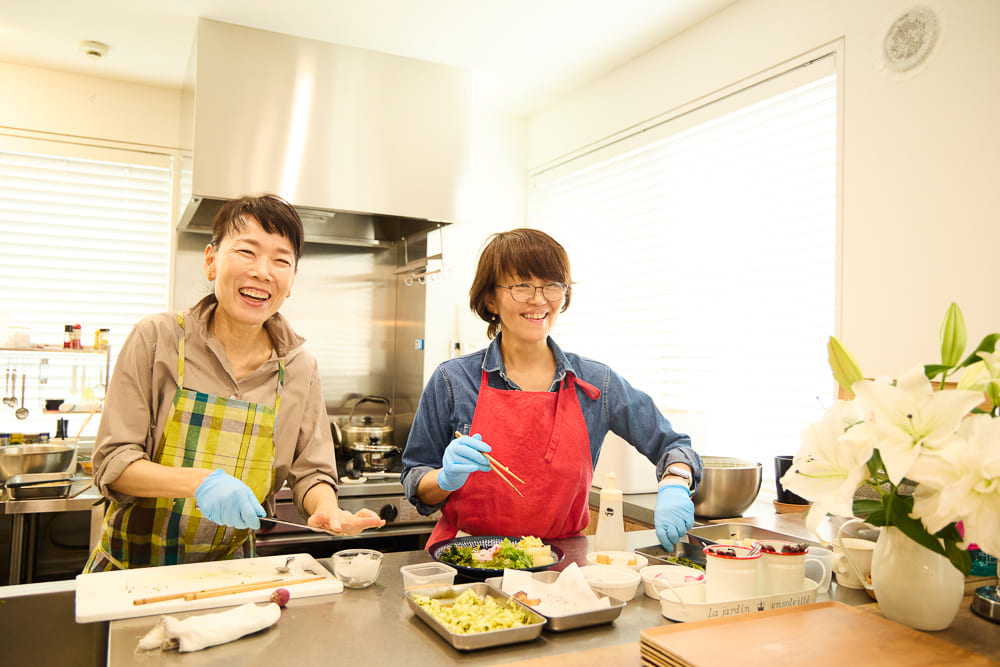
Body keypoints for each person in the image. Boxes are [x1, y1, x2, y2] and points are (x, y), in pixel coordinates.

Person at [85, 194, 383, 571]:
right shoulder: (157, 338)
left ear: (291, 282)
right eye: (247, 252)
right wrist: (201, 482)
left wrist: (326, 508)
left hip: (233, 574)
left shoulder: (299, 367)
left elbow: (312, 472)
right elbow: (114, 463)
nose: (263, 272)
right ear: (211, 261)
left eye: (281, 260)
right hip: (133, 573)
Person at [401, 228, 701, 552]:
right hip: (469, 561)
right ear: (490, 299)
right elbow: (416, 481)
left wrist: (675, 483)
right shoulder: (453, 381)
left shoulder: (595, 384)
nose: (539, 299)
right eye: (522, 286)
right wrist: (444, 478)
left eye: (552, 286)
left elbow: (673, 445)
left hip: (562, 569)